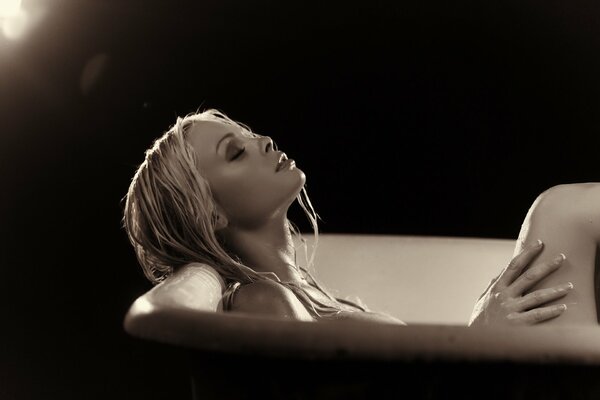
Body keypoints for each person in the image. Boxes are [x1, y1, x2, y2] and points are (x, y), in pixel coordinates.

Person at [123, 109, 586, 327]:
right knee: (562, 210)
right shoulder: (262, 304)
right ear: (212, 213)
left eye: (248, 131)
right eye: (237, 151)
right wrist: (481, 336)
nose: (263, 138)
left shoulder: (307, 294)